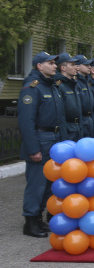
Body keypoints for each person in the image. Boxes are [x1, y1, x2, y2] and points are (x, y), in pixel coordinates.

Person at [18, 52, 67, 237]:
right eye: (51, 63)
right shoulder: (33, 88)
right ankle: (30, 221)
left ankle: (39, 218)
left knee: (49, 184)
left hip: (54, 142)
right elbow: (26, 121)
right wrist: (33, 149)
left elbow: (60, 118)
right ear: (40, 66)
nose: (55, 66)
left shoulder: (52, 87)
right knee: (36, 185)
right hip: (40, 140)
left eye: (55, 63)